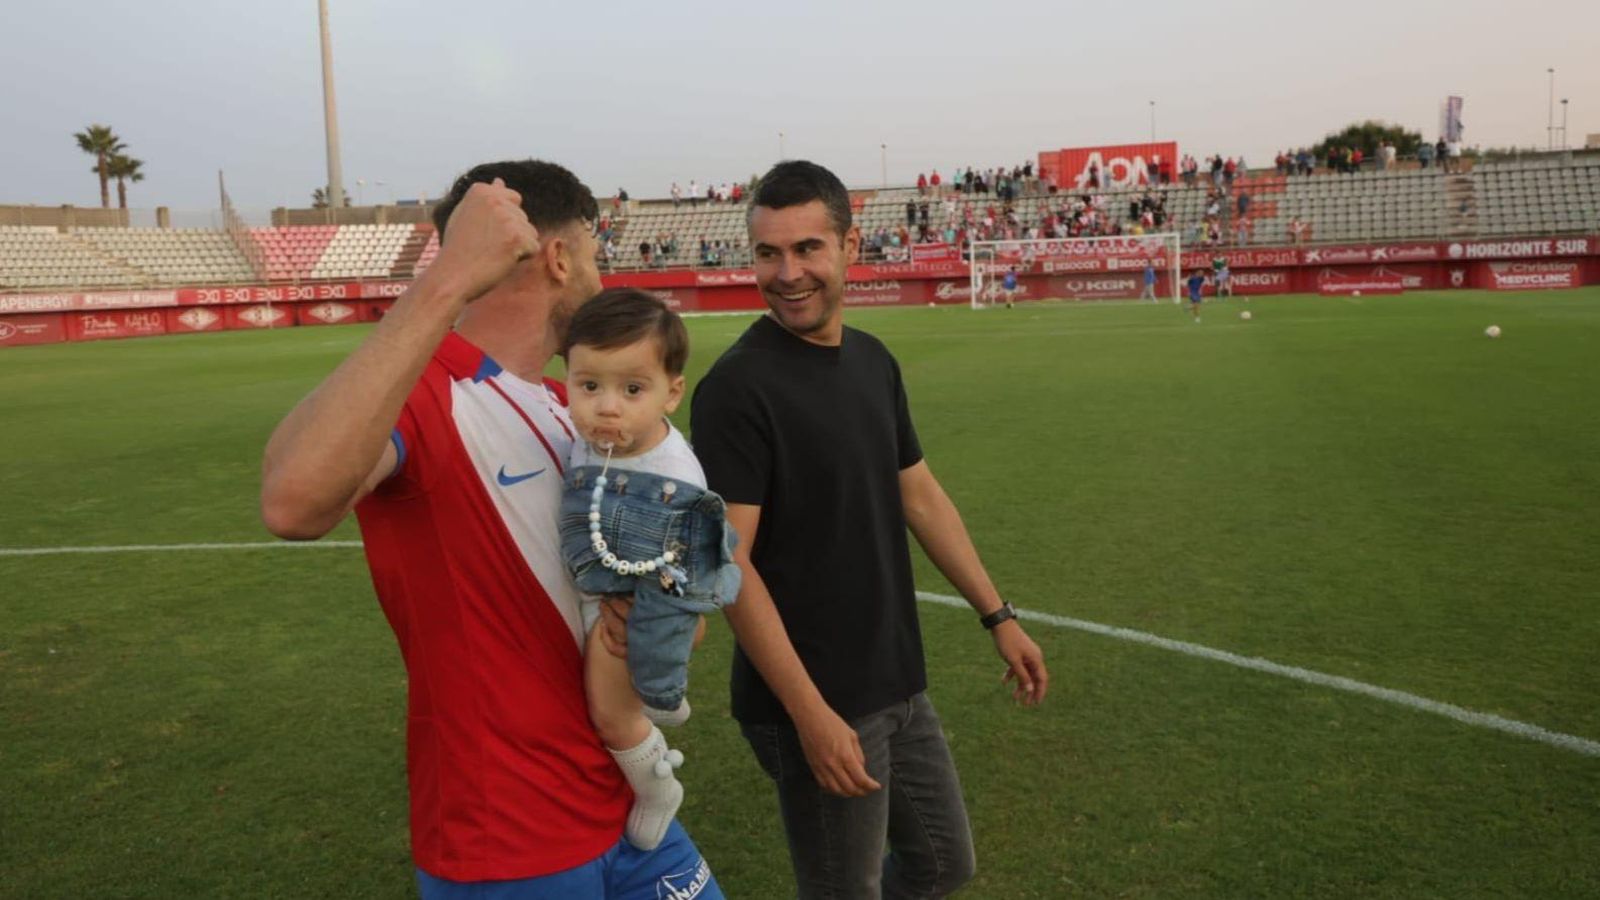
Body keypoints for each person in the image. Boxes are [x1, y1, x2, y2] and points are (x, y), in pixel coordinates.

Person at [260, 159, 722, 900]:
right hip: (513, 837)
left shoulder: (565, 406)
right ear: (560, 258)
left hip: (626, 806)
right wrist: (443, 282)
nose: (599, 280)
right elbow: (292, 502)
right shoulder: (426, 388)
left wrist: (664, 612)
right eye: (595, 257)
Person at [690, 160, 1049, 899]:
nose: (787, 273)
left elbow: (919, 495)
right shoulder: (737, 388)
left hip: (896, 678)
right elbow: (731, 565)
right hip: (813, 700)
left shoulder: (873, 361)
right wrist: (810, 716)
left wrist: (998, 615)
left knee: (945, 863)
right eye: (768, 253)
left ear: (850, 248)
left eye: (807, 249)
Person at [558, 288, 740, 852]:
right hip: (594, 578)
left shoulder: (674, 478)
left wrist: (655, 660)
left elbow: (685, 577)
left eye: (632, 389)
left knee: (612, 717)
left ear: (671, 393)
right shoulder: (592, 438)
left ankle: (656, 782)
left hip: (628, 608)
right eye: (589, 386)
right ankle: (660, 693)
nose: (606, 407)